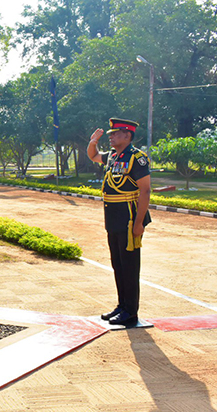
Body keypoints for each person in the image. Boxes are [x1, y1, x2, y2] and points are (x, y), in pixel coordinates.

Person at [88, 118, 151, 326]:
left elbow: (145, 190)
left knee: (130, 266)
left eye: (115, 133)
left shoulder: (137, 158)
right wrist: (92, 142)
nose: (111, 136)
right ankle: (122, 305)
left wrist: (139, 223)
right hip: (113, 217)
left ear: (127, 135)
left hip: (129, 217)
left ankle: (131, 311)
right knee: (118, 264)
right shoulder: (112, 157)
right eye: (110, 134)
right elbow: (94, 156)